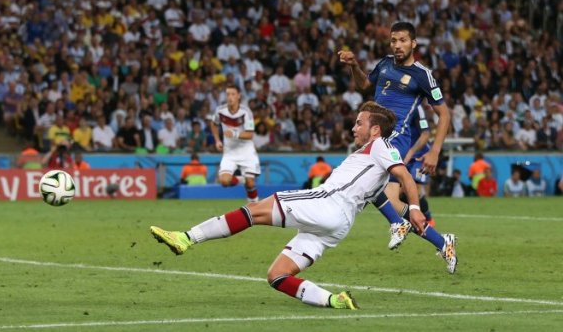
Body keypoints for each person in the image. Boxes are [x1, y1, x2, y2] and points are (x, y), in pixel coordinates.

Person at [150, 102, 448, 310]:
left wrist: (414, 209)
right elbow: (381, 191)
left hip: (327, 204)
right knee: (277, 276)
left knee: (254, 210)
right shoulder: (371, 156)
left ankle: (186, 239)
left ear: (374, 130)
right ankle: (334, 300)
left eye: (359, 122)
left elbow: (405, 175)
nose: (353, 126)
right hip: (338, 225)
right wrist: (399, 217)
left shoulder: (381, 146)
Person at [339, 21, 451, 253]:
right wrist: (353, 66)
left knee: (367, 185)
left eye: (402, 40)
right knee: (382, 195)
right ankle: (441, 242)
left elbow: (444, 114)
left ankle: (399, 222)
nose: (397, 45)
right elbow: (364, 85)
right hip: (376, 136)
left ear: (413, 43)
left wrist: (434, 151)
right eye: (393, 40)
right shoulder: (385, 63)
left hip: (396, 137)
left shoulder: (423, 75)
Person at [209, 84, 260, 202]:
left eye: (233, 94)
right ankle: (242, 179)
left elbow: (250, 134)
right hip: (230, 152)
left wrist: (235, 134)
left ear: (238, 96)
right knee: (224, 181)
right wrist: (217, 140)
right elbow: (213, 124)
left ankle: (255, 207)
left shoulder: (246, 112)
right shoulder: (220, 111)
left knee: (251, 184)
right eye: (228, 94)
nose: (230, 97)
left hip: (246, 151)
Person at [400, 105, 435, 226]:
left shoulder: (417, 108)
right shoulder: (394, 105)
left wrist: (410, 153)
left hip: (420, 157)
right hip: (402, 156)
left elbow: (425, 134)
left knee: (415, 189)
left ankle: (429, 220)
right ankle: (406, 222)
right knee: (399, 193)